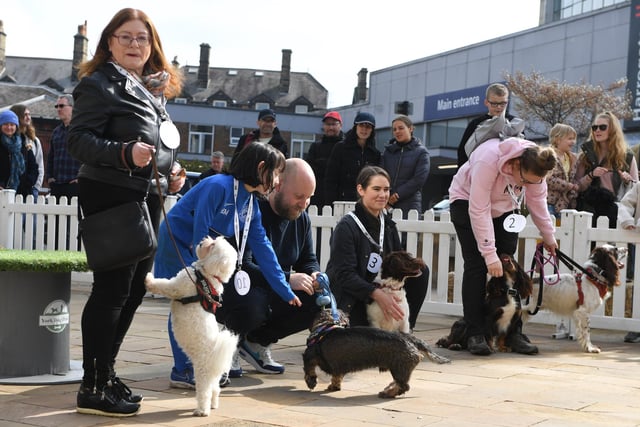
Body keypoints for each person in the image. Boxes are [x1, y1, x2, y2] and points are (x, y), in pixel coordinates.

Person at [66, 8, 185, 417]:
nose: (135, 45)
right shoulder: (99, 84)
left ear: (152, 46)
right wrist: (124, 153)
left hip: (144, 194)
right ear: (109, 43)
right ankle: (93, 386)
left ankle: (106, 372)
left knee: (134, 290)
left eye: (142, 38)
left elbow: (156, 144)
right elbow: (78, 141)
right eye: (126, 37)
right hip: (110, 192)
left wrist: (172, 170)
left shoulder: (151, 90)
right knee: (111, 290)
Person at [153, 143, 301, 390]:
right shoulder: (217, 186)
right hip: (179, 242)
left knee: (200, 309)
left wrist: (285, 289)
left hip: (201, 251)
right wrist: (201, 277)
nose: (277, 182)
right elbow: (200, 235)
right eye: (276, 173)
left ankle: (197, 368)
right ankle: (184, 370)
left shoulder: (250, 203)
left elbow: (264, 249)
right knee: (187, 305)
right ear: (261, 168)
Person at [449, 137, 558, 356]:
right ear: (516, 165)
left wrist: (549, 236)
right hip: (467, 202)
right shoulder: (488, 160)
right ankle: (476, 333)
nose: (527, 186)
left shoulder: (536, 169)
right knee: (477, 266)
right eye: (525, 181)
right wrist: (489, 254)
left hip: (506, 208)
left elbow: (537, 203)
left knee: (508, 266)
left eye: (532, 183)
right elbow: (478, 209)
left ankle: (512, 334)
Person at [216, 158, 320, 378]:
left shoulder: (302, 219)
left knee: (315, 300)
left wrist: (315, 275)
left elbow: (307, 259)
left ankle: (256, 342)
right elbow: (243, 266)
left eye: (309, 197)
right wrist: (286, 278)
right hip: (241, 287)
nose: (304, 204)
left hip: (274, 288)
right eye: (299, 196)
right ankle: (230, 341)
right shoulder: (252, 212)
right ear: (278, 185)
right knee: (254, 302)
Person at [325, 166, 428, 330]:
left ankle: (406, 329)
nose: (383, 195)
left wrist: (391, 293)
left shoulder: (388, 225)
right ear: (361, 189)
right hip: (354, 296)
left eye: (386, 189)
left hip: (380, 288)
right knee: (364, 338)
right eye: (376, 189)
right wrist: (377, 294)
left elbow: (400, 264)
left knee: (420, 273)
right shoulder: (346, 227)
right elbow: (344, 275)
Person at [575, 111, 638, 228]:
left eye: (602, 127)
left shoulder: (627, 156)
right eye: (594, 127)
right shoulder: (585, 155)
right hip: (589, 211)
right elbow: (577, 186)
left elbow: (636, 190)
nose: (597, 130)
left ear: (613, 130)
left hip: (616, 212)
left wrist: (627, 181)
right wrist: (591, 175)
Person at [324, 112, 381, 206]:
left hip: (366, 201)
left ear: (372, 130)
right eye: (361, 125)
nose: (364, 129)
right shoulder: (341, 148)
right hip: (342, 201)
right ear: (355, 127)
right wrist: (330, 203)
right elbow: (331, 178)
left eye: (368, 127)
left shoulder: (375, 153)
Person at [381, 115, 430, 217]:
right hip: (386, 202)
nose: (397, 131)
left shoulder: (421, 152)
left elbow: (419, 179)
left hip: (410, 204)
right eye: (394, 129)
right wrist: (386, 195)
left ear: (410, 128)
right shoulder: (387, 152)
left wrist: (397, 195)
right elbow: (381, 175)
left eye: (401, 128)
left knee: (407, 233)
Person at [457, 83, 514, 167]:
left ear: (507, 102)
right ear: (486, 102)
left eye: (502, 103)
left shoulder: (514, 122)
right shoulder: (475, 124)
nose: (498, 107)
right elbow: (463, 152)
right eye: (494, 104)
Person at [305, 111, 344, 208]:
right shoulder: (315, 146)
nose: (331, 127)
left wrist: (322, 163)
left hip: (339, 196)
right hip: (318, 195)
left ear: (340, 125)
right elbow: (309, 169)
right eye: (327, 124)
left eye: (334, 124)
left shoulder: (346, 146)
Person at [617, 183, 640, 343]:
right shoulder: (638, 186)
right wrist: (627, 221)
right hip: (637, 242)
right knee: (638, 285)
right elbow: (625, 204)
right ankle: (635, 326)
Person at [47, 95, 81, 200]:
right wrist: (49, 177)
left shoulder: (81, 130)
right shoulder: (56, 132)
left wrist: (81, 178)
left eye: (61, 106)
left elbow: (89, 156)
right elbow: (51, 157)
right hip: (57, 184)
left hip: (74, 184)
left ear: (72, 107)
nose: (58, 109)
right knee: (55, 216)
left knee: (75, 216)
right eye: (56, 106)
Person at [0, 110, 39, 198]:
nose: (9, 127)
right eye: (5, 124)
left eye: (12, 124)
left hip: (22, 194)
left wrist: (28, 182)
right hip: (2, 193)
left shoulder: (24, 144)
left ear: (16, 126)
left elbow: (33, 167)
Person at [546, 123, 579, 220]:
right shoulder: (549, 156)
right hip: (550, 202)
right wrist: (567, 186)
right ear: (558, 139)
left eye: (574, 139)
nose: (573, 142)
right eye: (570, 139)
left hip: (565, 203)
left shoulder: (571, 158)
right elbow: (548, 178)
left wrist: (574, 186)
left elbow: (571, 177)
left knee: (562, 232)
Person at [10, 104, 44, 198]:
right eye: (25, 115)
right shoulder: (9, 139)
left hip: (30, 189)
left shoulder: (34, 140)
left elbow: (39, 164)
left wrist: (36, 186)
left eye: (29, 114)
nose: (28, 117)